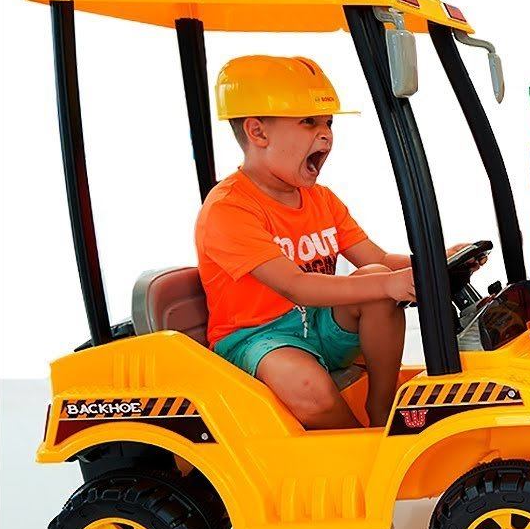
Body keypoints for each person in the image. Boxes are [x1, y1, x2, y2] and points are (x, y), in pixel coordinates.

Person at [196, 55, 480, 430]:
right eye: (309, 122)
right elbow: (296, 286)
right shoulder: (229, 209)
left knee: (377, 276)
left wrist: (435, 261)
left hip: (316, 324)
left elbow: (377, 259)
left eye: (329, 122)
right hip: (257, 338)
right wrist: (388, 282)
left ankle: (383, 412)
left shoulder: (320, 199)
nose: (326, 134)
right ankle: (356, 448)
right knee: (309, 385)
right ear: (258, 133)